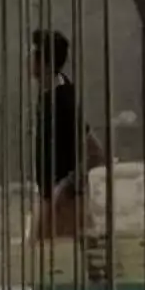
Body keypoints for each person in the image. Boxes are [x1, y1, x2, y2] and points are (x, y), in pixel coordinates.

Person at [31, 26, 95, 241]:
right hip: (54, 199)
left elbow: (96, 153)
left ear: (45, 63)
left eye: (34, 54)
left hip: (65, 203)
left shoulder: (62, 100)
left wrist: (64, 187)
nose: (29, 58)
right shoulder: (50, 94)